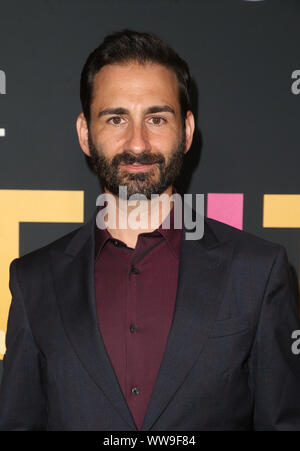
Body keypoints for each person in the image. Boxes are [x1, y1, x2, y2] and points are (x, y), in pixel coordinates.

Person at [0, 29, 299, 431]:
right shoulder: (35, 280)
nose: (137, 143)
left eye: (156, 118)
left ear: (187, 131)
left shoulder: (258, 272)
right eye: (116, 118)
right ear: (86, 133)